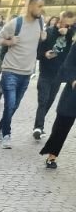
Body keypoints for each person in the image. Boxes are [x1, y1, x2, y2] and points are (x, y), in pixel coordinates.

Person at [0, 0, 46, 148]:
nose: (41, 10)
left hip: (26, 73)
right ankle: (6, 134)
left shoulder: (41, 23)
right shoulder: (16, 23)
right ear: (30, 6)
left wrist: (44, 37)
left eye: (42, 6)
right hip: (10, 70)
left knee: (14, 105)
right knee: (9, 104)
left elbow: (39, 42)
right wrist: (9, 41)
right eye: (39, 6)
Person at [33, 10, 75, 139]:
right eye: (64, 23)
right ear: (60, 20)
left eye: (69, 24)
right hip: (46, 72)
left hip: (58, 75)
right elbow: (38, 53)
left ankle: (38, 125)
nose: (65, 26)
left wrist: (68, 34)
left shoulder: (71, 34)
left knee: (49, 101)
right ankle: (39, 127)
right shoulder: (49, 32)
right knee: (43, 100)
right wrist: (45, 54)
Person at [40, 39, 76, 169]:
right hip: (74, 92)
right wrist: (73, 80)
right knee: (62, 125)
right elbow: (68, 66)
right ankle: (52, 155)